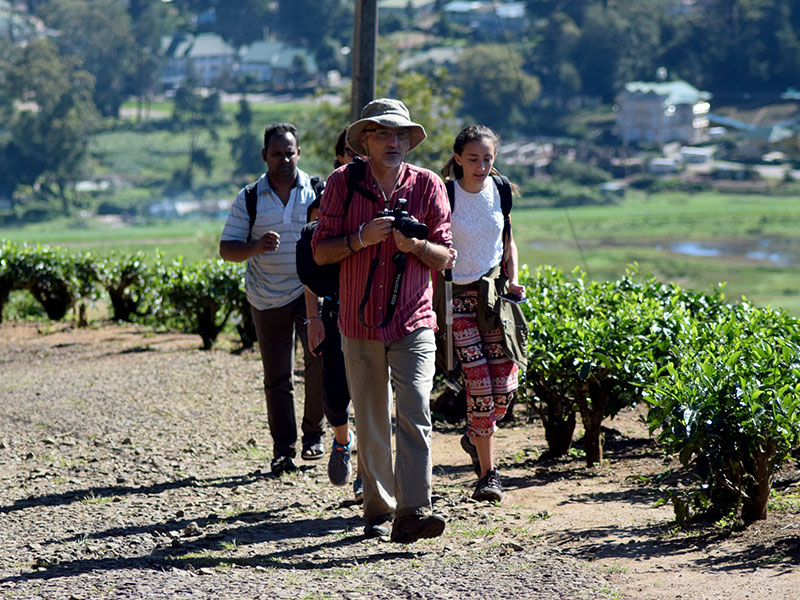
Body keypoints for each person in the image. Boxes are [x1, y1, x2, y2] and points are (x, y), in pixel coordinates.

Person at [312, 99, 454, 543]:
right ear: (365, 142)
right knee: (371, 420)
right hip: (357, 321)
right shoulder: (342, 184)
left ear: (409, 142)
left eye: (400, 135)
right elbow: (320, 251)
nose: (393, 142)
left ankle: (414, 509)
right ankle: (378, 511)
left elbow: (447, 255)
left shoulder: (429, 186)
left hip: (414, 319)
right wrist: (361, 238)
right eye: (383, 134)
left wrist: (416, 247)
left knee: (415, 408)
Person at [219, 122, 325, 476]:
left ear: (299, 153)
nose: (284, 159)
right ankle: (284, 450)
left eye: (290, 152)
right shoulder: (249, 197)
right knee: (277, 377)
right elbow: (226, 249)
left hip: (310, 292)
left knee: (319, 364)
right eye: (277, 153)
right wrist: (256, 247)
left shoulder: (316, 191)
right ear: (265, 156)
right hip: (266, 297)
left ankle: (314, 436)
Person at [440, 124, 527, 503]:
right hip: (457, 300)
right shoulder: (446, 194)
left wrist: (513, 280)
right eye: (473, 159)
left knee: (505, 391)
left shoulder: (500, 189)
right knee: (479, 385)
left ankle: (475, 436)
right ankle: (489, 475)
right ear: (458, 158)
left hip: (494, 301)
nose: (481, 166)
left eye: (487, 158)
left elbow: (508, 239)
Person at [303, 127, 363, 503]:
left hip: (377, 314)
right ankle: (342, 441)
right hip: (336, 310)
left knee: (374, 399)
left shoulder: (387, 198)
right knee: (335, 399)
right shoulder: (323, 203)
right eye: (349, 151)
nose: (356, 158)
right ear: (339, 158)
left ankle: (368, 474)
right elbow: (310, 270)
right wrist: (313, 319)